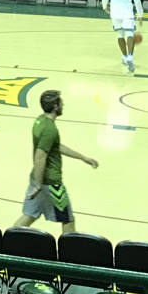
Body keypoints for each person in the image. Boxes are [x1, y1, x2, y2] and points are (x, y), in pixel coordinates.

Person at [12, 90, 98, 234]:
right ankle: (68, 252)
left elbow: (55, 146)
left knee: (29, 216)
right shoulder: (49, 129)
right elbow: (40, 157)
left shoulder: (40, 120)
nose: (63, 104)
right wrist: (39, 186)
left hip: (36, 179)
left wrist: (83, 157)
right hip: (51, 184)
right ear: (55, 107)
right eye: (60, 103)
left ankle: (8, 241)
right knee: (67, 220)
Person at [100, 0, 144, 73]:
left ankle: (124, 57)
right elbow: (137, 0)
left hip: (115, 12)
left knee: (120, 34)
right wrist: (140, 14)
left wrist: (105, 7)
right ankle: (130, 56)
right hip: (127, 12)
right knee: (129, 33)